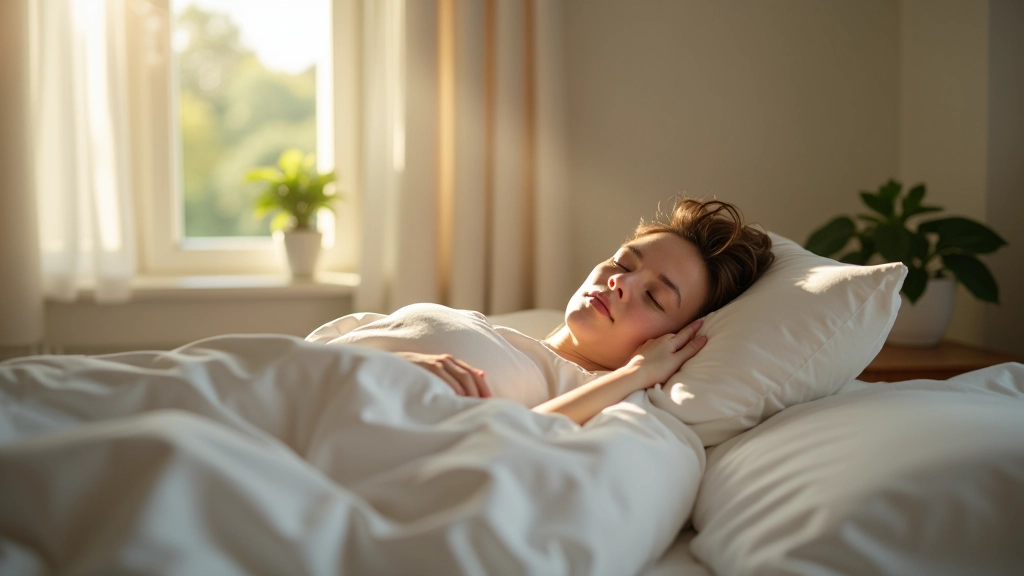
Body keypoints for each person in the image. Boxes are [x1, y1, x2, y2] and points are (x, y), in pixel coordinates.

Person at [319, 197, 774, 425]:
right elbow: (319, 356)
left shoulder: (610, 402)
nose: (620, 282)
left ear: (675, 339)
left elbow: (521, 443)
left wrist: (635, 374)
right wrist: (389, 368)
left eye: (655, 298)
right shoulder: (490, 330)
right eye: (622, 263)